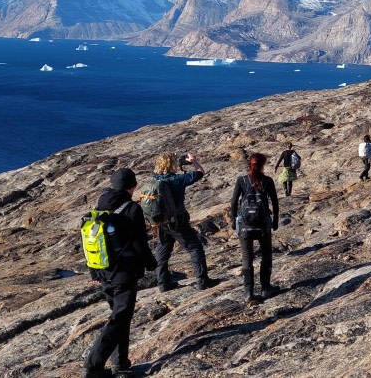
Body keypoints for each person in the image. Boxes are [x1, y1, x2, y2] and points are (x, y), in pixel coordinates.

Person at [85, 168, 157, 378]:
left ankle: (120, 363)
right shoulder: (132, 209)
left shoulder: (101, 204)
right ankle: (93, 365)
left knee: (120, 317)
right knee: (119, 319)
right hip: (124, 272)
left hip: (103, 270)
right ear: (132, 187)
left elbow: (92, 235)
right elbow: (139, 244)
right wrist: (152, 264)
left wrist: (94, 272)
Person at [153, 152, 217, 292]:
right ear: (172, 165)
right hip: (177, 223)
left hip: (162, 223)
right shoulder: (177, 180)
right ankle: (202, 281)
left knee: (162, 252)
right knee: (195, 248)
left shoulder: (155, 179)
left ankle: (163, 283)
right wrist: (193, 161)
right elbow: (200, 173)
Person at [230, 152, 281, 303]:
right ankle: (266, 288)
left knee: (247, 257)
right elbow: (275, 203)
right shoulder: (267, 181)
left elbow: (233, 203)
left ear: (249, 164)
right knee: (266, 255)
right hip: (263, 225)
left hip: (245, 226)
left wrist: (234, 221)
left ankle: (248, 293)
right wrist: (275, 220)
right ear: (263, 165)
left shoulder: (242, 180)